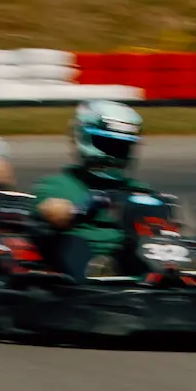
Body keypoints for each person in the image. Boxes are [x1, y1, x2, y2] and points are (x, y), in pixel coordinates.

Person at [32, 100, 152, 278]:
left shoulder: (139, 190)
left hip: (126, 260)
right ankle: (101, 271)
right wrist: (79, 209)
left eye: (122, 147)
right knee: (73, 244)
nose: (115, 153)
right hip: (76, 264)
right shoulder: (58, 184)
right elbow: (51, 210)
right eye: (109, 145)